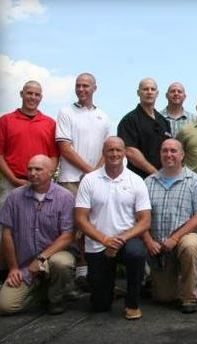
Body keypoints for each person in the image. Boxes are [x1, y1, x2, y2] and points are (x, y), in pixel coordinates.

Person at [75, 137, 151, 320]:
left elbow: (145, 221)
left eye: (118, 150)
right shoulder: (89, 180)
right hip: (98, 243)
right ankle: (109, 290)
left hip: (126, 240)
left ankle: (132, 304)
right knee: (100, 306)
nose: (115, 154)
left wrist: (120, 240)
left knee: (137, 253)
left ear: (124, 153)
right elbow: (80, 218)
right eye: (110, 150)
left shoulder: (136, 180)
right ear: (103, 153)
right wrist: (105, 240)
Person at [143, 139, 197, 314]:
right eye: (164, 151)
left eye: (173, 151)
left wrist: (175, 238)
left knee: (191, 246)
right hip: (159, 245)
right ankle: (179, 279)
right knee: (164, 298)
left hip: (184, 238)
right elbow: (139, 217)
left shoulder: (196, 181)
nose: (169, 155)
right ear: (160, 154)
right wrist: (149, 241)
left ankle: (190, 297)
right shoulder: (148, 183)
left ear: (182, 155)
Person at [0, 155, 75, 315]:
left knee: (62, 264)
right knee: (5, 306)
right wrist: (13, 268)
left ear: (50, 172)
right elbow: (7, 234)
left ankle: (56, 298)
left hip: (52, 258)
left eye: (38, 169)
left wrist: (41, 258)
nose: (33, 173)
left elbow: (68, 235)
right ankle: (42, 291)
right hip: (24, 266)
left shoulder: (65, 197)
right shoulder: (14, 197)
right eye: (30, 169)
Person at [55, 72, 110, 289]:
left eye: (86, 86)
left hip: (96, 180)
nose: (81, 89)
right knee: (72, 227)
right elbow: (64, 148)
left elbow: (107, 149)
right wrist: (90, 171)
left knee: (93, 224)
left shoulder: (103, 116)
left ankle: (90, 273)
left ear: (95, 88)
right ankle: (74, 275)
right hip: (71, 179)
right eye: (78, 85)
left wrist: (95, 173)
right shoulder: (65, 112)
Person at [0, 81, 59, 207]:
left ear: (41, 98)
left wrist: (46, 178)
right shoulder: (5, 120)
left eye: (37, 95)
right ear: (22, 94)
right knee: (7, 223)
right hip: (11, 183)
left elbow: (54, 156)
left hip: (41, 185)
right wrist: (13, 179)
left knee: (39, 224)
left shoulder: (50, 124)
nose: (33, 97)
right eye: (29, 93)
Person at [117, 78, 172, 179]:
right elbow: (130, 151)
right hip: (138, 179)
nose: (149, 92)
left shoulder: (164, 122)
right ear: (138, 93)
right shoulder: (129, 120)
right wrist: (156, 173)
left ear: (157, 93)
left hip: (164, 180)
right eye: (145, 89)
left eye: (152, 89)